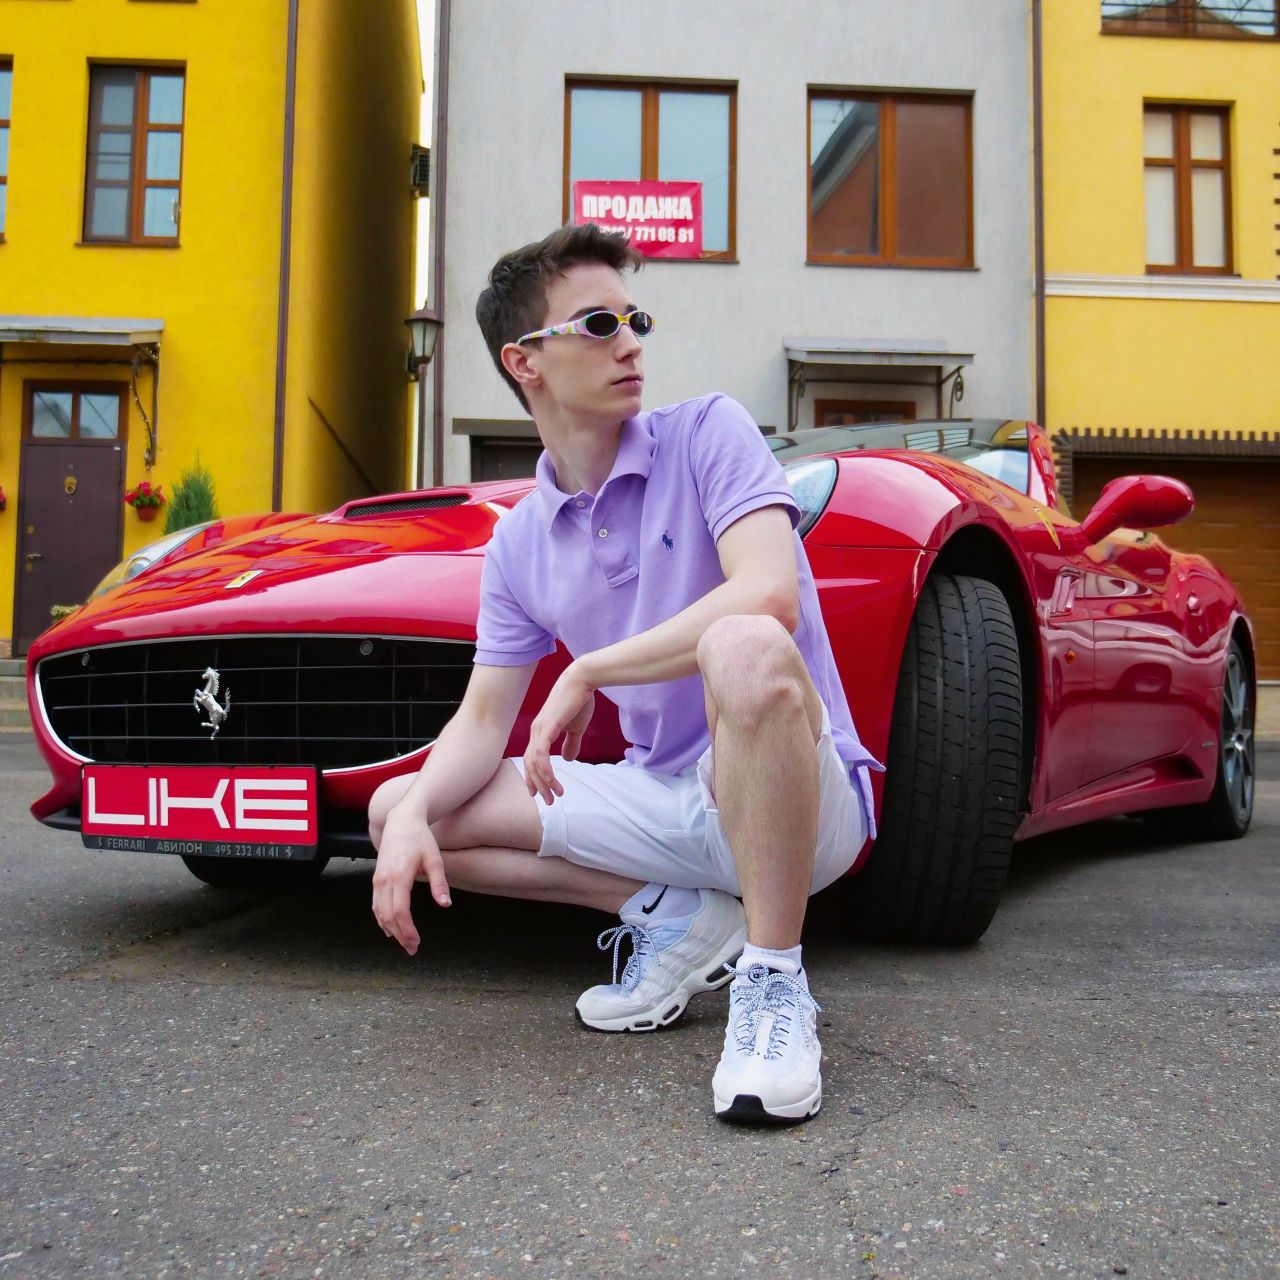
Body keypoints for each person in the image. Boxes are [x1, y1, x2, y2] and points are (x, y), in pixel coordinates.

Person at [369, 223, 880, 1123]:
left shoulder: (708, 432)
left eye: (634, 319)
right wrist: (409, 818)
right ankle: (676, 917)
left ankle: (773, 984)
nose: (632, 343)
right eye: (599, 324)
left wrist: (590, 671)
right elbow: (482, 722)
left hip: (799, 799)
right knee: (398, 808)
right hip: (665, 802)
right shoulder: (520, 543)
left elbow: (768, 595)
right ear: (524, 361)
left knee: (744, 644)